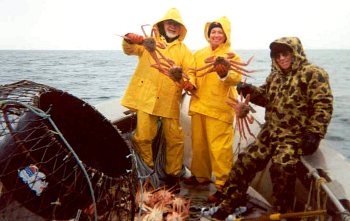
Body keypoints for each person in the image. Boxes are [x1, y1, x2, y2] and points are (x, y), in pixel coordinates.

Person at [209, 36, 334, 219]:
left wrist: (315, 133)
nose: (282, 58)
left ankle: (282, 213)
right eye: (277, 55)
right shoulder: (275, 76)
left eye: (286, 53)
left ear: (295, 53)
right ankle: (232, 201)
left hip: (293, 135)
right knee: (245, 160)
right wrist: (247, 89)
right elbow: (265, 98)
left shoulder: (313, 73)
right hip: (270, 131)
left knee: (282, 166)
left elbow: (323, 105)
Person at [120, 8, 195, 187]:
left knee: (175, 138)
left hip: (170, 99)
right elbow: (129, 49)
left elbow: (191, 72)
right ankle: (147, 172)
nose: (172, 26)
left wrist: (188, 82)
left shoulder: (185, 51)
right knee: (143, 136)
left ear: (181, 29)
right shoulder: (149, 43)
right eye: (169, 23)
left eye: (176, 24)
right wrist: (129, 38)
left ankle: (173, 175)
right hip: (146, 97)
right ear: (161, 25)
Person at [183, 16, 243, 203]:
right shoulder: (199, 54)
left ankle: (223, 186)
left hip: (220, 108)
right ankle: (200, 176)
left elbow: (236, 77)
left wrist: (225, 72)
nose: (216, 35)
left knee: (220, 150)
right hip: (199, 104)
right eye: (213, 32)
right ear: (208, 35)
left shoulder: (232, 55)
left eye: (219, 32)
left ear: (225, 35)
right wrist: (189, 83)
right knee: (199, 146)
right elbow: (192, 71)